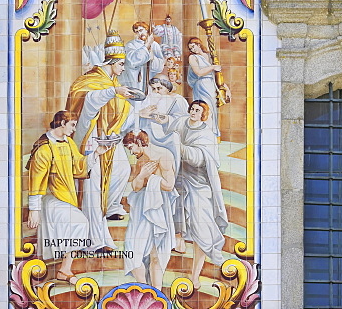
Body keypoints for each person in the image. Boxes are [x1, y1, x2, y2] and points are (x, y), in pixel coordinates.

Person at [26, 111, 111, 284]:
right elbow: (36, 182)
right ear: (62, 123)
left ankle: (64, 270)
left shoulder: (68, 143)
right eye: (72, 125)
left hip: (65, 197)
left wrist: (96, 153)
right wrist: (34, 210)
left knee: (78, 224)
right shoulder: (44, 148)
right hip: (50, 198)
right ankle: (64, 269)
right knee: (80, 223)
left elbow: (79, 165)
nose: (74, 129)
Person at [66, 31, 134, 237]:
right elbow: (88, 102)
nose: (123, 69)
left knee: (122, 168)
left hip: (109, 136)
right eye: (121, 64)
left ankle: (111, 206)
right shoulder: (90, 80)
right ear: (112, 61)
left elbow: (120, 109)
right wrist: (114, 92)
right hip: (89, 138)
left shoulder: (112, 82)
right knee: (92, 181)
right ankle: (91, 227)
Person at [170, 100, 229, 289]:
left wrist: (179, 147)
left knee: (201, 232)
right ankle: (178, 241)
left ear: (204, 114)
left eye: (198, 110)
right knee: (170, 213)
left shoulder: (206, 134)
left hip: (199, 184)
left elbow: (198, 159)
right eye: (193, 109)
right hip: (179, 178)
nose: (194, 112)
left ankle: (195, 276)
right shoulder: (181, 123)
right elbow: (167, 130)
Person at [122, 130, 179, 290]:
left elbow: (169, 185)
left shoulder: (164, 155)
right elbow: (135, 186)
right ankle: (144, 289)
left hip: (158, 206)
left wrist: (151, 178)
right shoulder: (140, 159)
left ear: (139, 143)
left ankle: (156, 294)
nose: (131, 152)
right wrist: (141, 176)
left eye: (131, 147)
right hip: (141, 207)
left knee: (157, 254)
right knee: (131, 250)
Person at [186, 37, 229, 138]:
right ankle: (203, 135)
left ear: (198, 44)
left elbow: (216, 76)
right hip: (201, 86)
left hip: (211, 85)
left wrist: (226, 89)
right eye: (190, 48)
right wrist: (213, 67)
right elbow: (199, 73)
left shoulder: (209, 56)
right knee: (203, 108)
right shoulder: (193, 57)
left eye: (193, 47)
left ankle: (212, 134)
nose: (192, 50)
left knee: (212, 110)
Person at [121, 21, 165, 92]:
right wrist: (147, 46)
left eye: (141, 30)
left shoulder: (154, 45)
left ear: (146, 29)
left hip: (150, 82)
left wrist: (153, 59)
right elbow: (132, 61)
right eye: (137, 32)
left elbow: (160, 66)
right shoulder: (131, 45)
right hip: (135, 82)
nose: (140, 34)